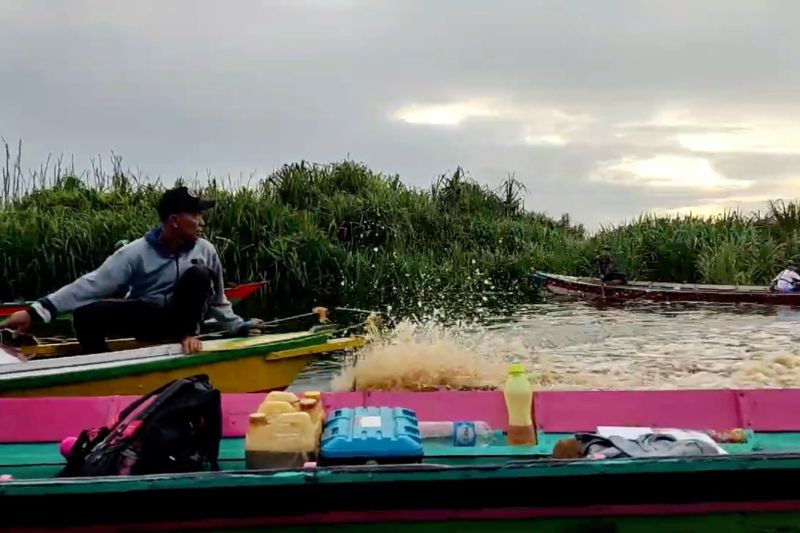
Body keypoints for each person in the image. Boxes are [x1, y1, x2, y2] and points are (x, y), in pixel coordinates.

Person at [0, 186, 264, 355]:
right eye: (195, 215)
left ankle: (188, 337)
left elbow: (218, 299)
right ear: (174, 220)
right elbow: (91, 284)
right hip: (149, 319)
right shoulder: (135, 253)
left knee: (199, 275)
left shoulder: (205, 250)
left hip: (184, 322)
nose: (201, 222)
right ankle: (101, 367)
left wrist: (237, 327)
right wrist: (35, 312)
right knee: (84, 315)